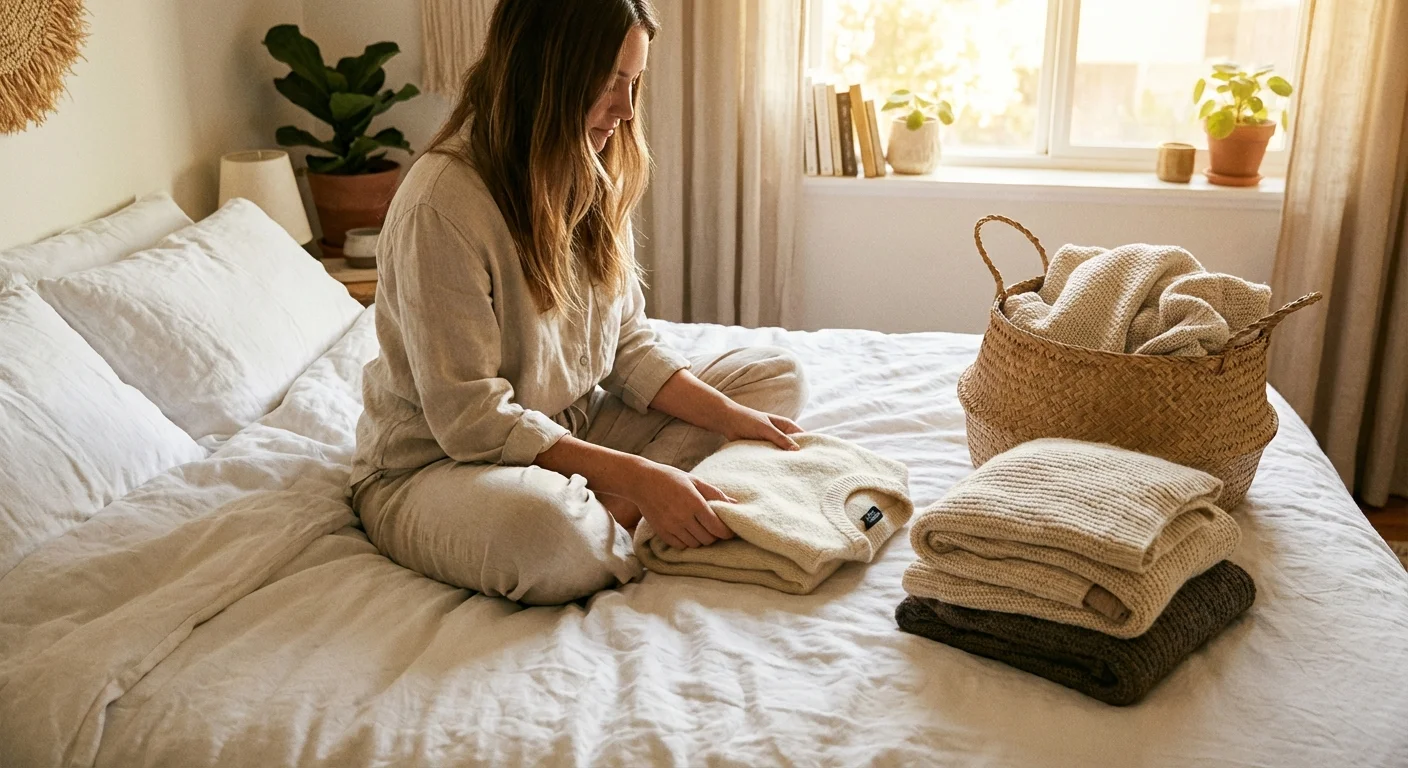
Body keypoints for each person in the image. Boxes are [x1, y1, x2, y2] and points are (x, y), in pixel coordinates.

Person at [348, 0, 808, 606]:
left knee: (772, 381)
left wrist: (732, 420)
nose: (624, 109)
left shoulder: (587, 166)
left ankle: (614, 512)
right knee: (549, 538)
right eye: (609, 81)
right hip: (440, 466)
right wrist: (642, 476)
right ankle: (615, 513)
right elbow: (472, 421)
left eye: (633, 82)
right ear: (544, 73)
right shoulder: (441, 205)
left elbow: (627, 348)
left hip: (571, 423)